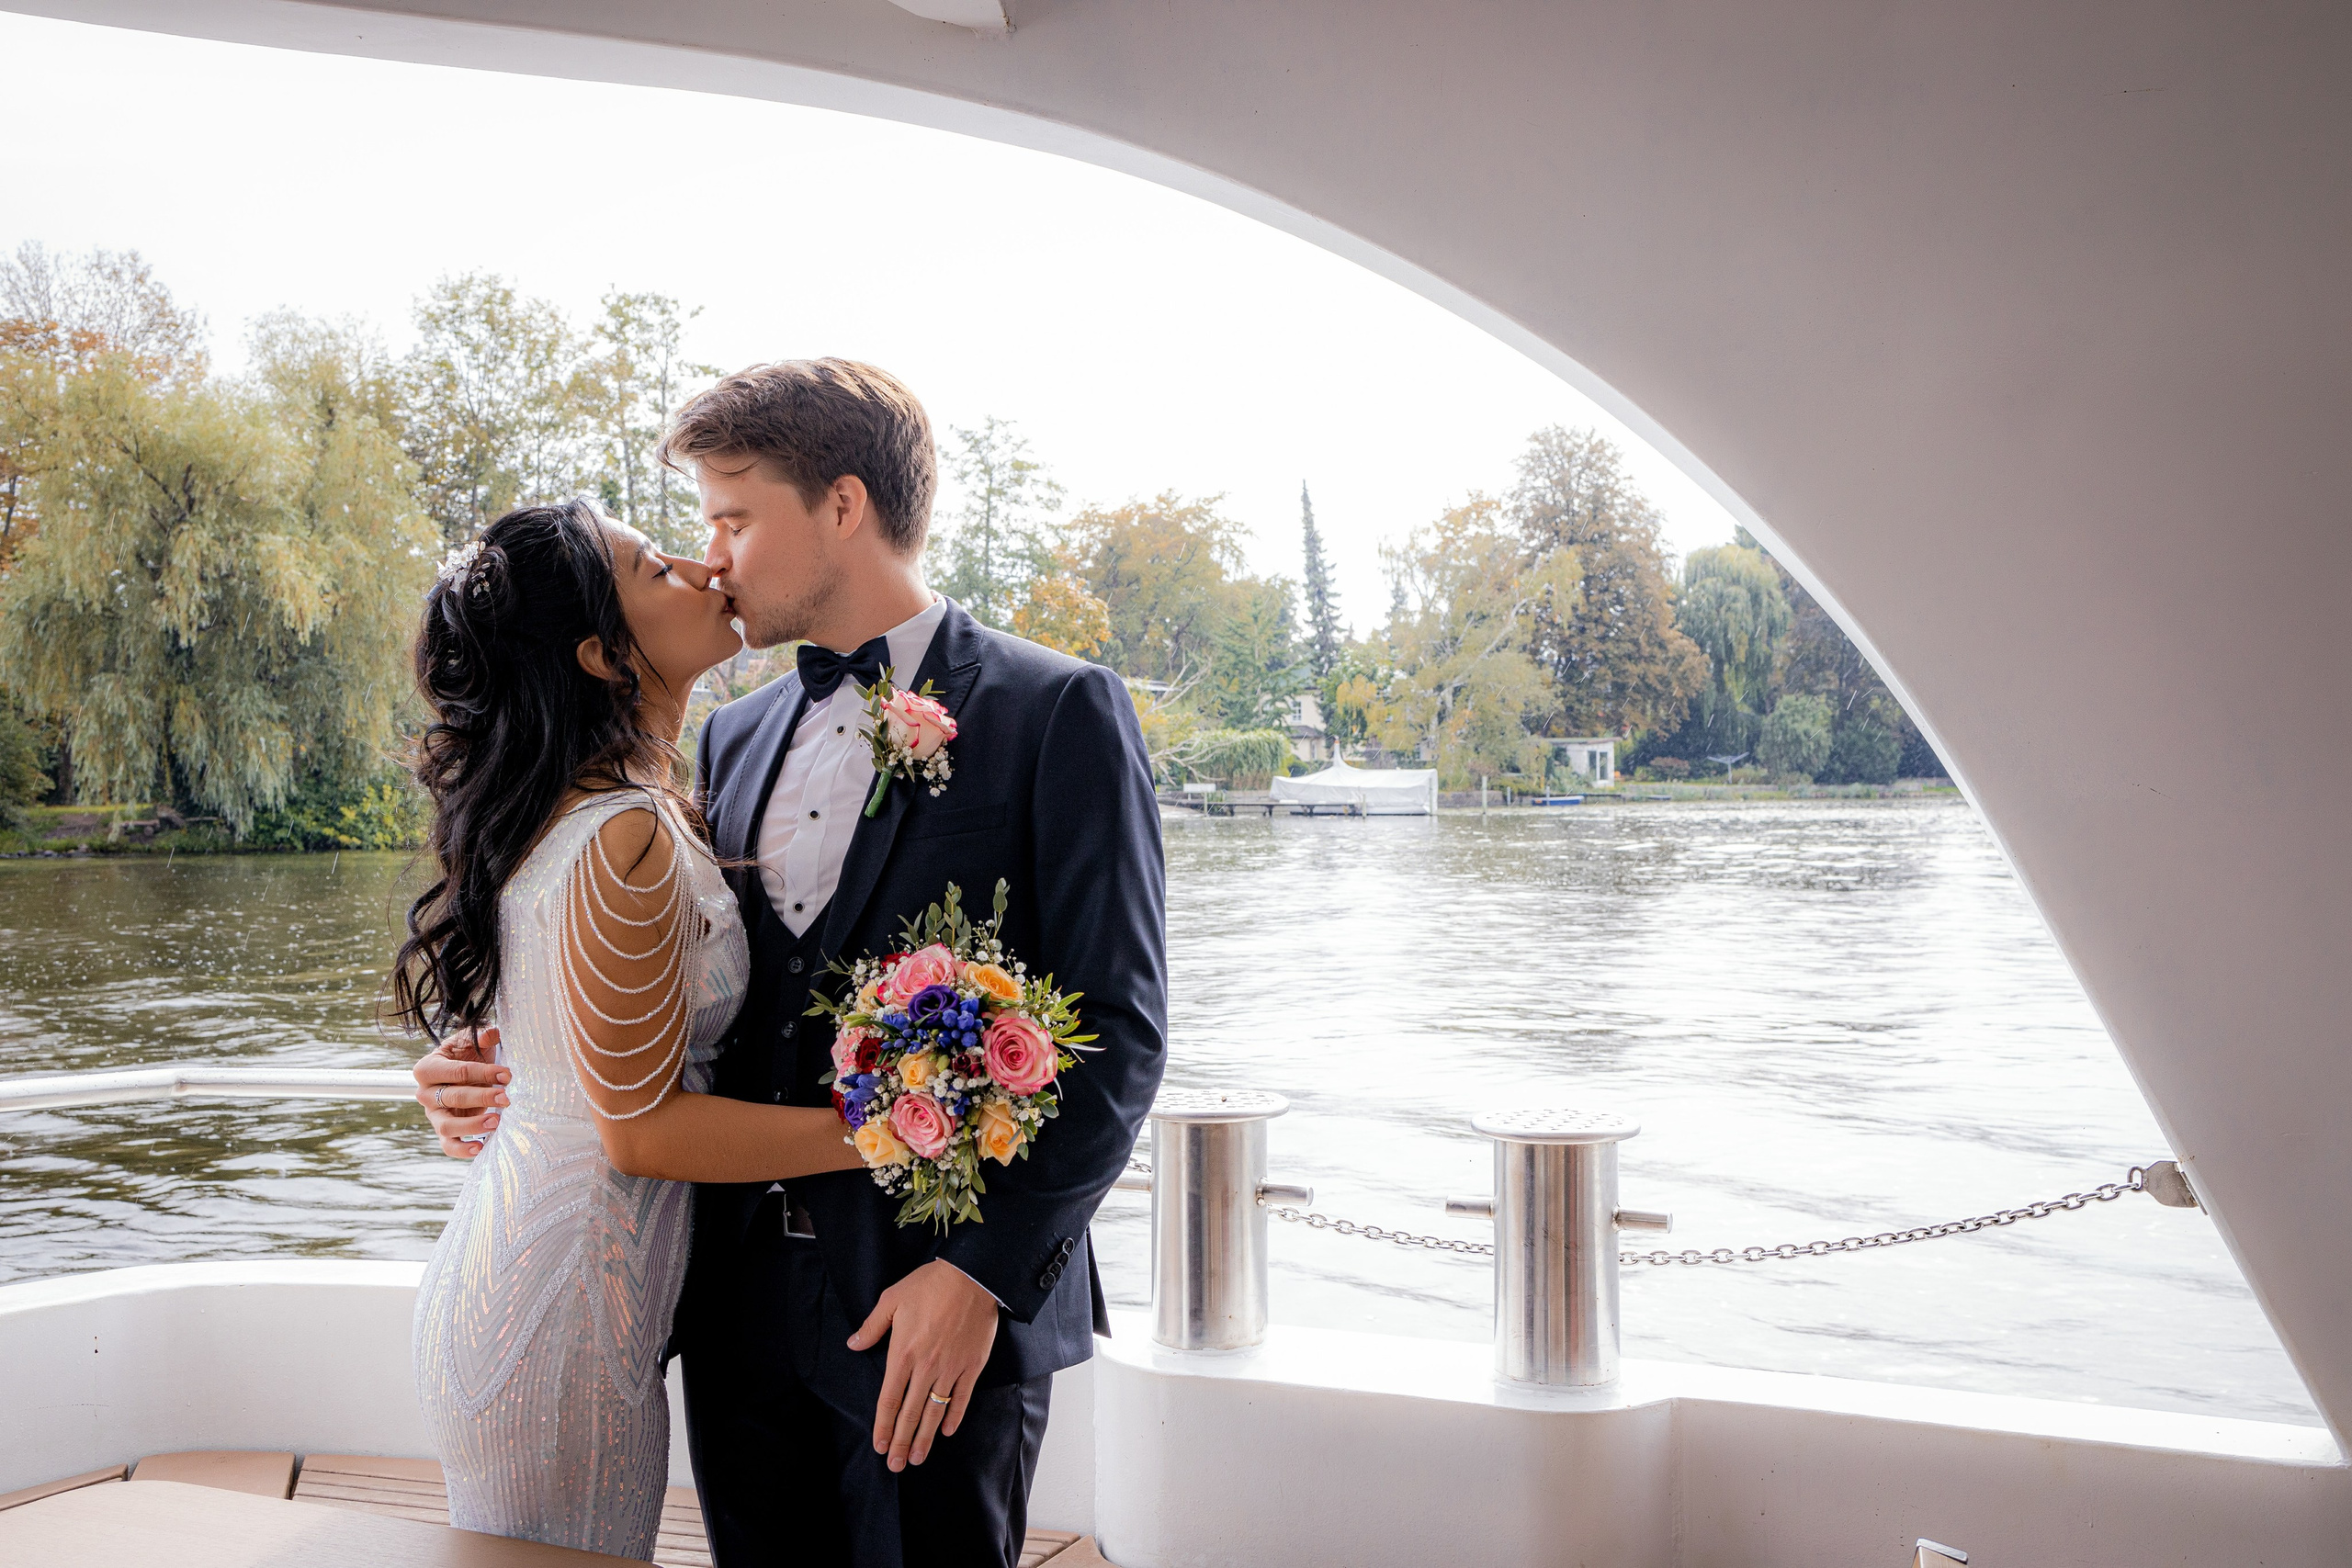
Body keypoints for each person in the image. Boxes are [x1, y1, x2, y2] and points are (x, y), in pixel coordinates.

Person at [414, 358, 1169, 1568]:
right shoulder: (728, 734)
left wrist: (979, 1277)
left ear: (843, 505)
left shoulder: (1056, 709)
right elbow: (670, 989)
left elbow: (1118, 1037)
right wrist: (509, 1058)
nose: (712, 557)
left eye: (734, 517)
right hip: (729, 1310)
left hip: (928, 1307)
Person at [394, 497, 868, 1560]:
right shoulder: (624, 831)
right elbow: (641, 1131)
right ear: (605, 655)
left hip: (579, 1280)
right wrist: (883, 1135)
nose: (702, 567)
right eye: (657, 567)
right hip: (560, 1300)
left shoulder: (618, 805)